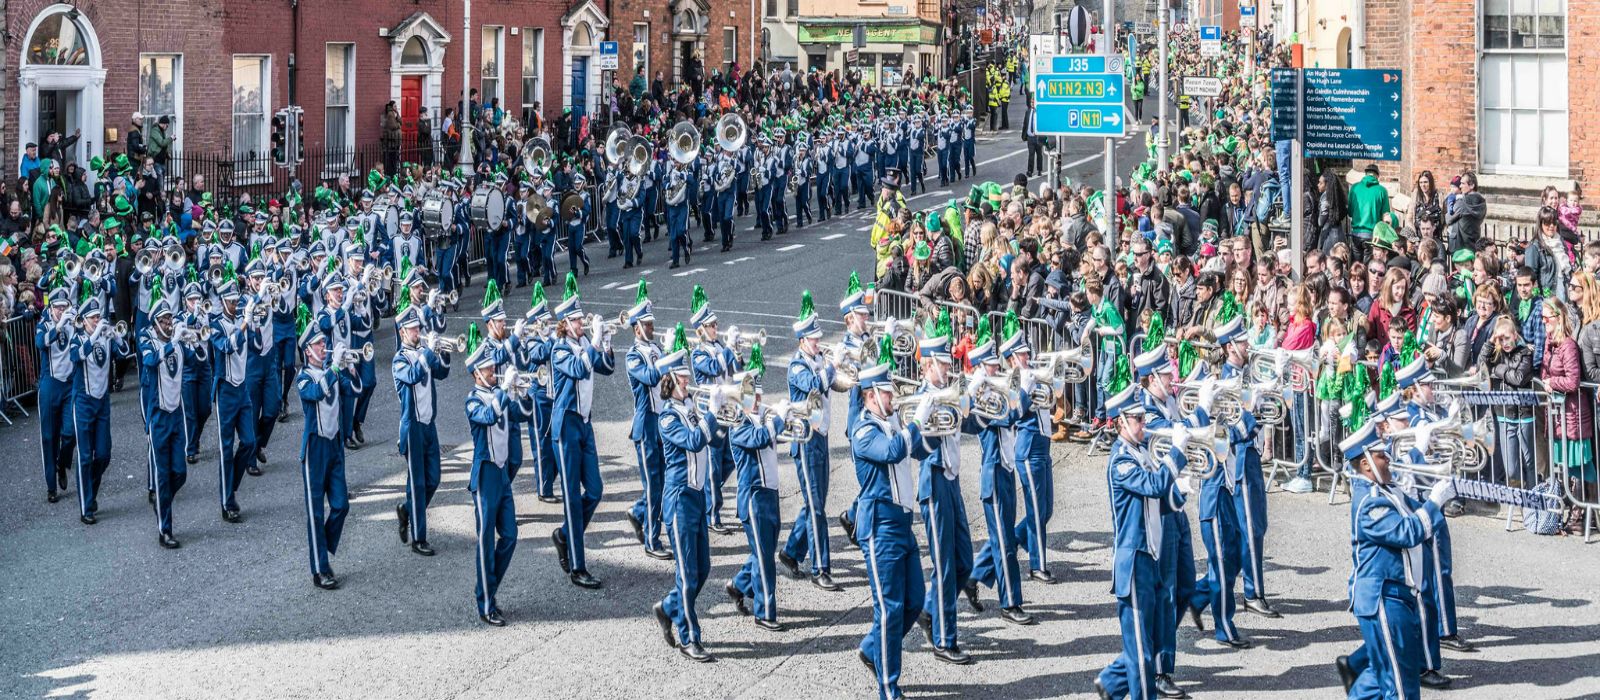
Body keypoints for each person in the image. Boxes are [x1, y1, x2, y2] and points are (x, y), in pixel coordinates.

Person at [1333, 420, 1454, 700]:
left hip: (1394, 595)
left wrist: (1428, 486)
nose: (1388, 458)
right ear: (1366, 464)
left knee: (1380, 676)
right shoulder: (1370, 502)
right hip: (1383, 597)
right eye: (1381, 455)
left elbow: (1416, 516)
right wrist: (1435, 502)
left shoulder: (1386, 491)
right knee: (1402, 690)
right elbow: (1408, 532)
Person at [1094, 382, 1184, 700]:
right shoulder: (1121, 461)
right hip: (1134, 564)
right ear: (1121, 422)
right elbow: (1155, 484)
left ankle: (1113, 687)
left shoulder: (1141, 451)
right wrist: (1178, 453)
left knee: (1149, 640)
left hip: (1151, 556)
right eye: (1137, 420)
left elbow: (1163, 494)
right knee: (1140, 653)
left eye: (1144, 419)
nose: (1143, 425)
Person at [852, 355, 929, 700]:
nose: (893, 397)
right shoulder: (864, 430)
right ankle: (888, 688)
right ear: (870, 396)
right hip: (880, 527)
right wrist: (917, 420)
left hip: (903, 524)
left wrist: (937, 424)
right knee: (890, 609)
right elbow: (895, 451)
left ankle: (873, 648)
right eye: (887, 392)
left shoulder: (891, 421)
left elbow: (919, 451)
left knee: (915, 600)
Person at [650, 343, 719, 662]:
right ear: (671, 380)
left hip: (696, 496)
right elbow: (693, 440)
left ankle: (668, 607)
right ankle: (689, 637)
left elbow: (709, 437)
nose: (688, 380)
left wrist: (717, 412)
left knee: (703, 568)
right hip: (678, 501)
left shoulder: (690, 407)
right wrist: (713, 414)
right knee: (687, 574)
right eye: (683, 376)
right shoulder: (667, 418)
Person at [550, 275, 616, 588]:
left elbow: (605, 367)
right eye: (576, 320)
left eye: (581, 319)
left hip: (585, 424)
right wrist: (594, 341)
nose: (580, 323)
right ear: (565, 322)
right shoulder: (559, 349)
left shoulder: (581, 345)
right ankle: (578, 566)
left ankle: (564, 534)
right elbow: (579, 368)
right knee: (573, 500)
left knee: (595, 491)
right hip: (566, 425)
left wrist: (605, 342)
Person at [463, 333, 532, 625]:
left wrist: (525, 392)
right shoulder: (473, 401)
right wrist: (504, 389)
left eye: (494, 367)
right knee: (485, 539)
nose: (494, 372)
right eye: (489, 369)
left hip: (501, 473)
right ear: (477, 373)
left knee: (511, 536)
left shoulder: (497, 394)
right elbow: (489, 417)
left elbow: (522, 414)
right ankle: (486, 603)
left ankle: (487, 586)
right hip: (486, 474)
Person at [779, 295, 842, 590]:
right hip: (805, 439)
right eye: (814, 339)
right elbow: (815, 385)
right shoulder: (797, 366)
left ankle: (792, 552)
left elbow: (835, 383)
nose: (819, 342)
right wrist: (832, 367)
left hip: (821, 435)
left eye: (818, 338)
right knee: (816, 506)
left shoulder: (816, 359)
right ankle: (820, 568)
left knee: (815, 501)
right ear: (803, 340)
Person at [296, 321, 361, 588]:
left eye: (324, 344)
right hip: (314, 449)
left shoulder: (331, 373)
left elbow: (355, 390)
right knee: (315, 511)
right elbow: (316, 392)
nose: (324, 347)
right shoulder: (303, 378)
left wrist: (352, 368)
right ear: (308, 351)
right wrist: (334, 367)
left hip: (334, 446)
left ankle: (320, 542)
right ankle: (320, 569)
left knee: (341, 505)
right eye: (319, 345)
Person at [392, 304, 451, 555]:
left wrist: (443, 352)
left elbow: (443, 373)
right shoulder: (399, 360)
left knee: (434, 478)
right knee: (417, 483)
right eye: (414, 329)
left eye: (418, 328)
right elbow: (414, 375)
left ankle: (407, 510)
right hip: (412, 426)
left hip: (428, 424)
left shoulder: (422, 353)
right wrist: (428, 351)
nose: (418, 332)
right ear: (403, 332)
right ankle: (419, 537)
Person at [70, 296, 131, 524]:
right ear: (84, 321)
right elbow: (75, 357)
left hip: (102, 401)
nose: (97, 321)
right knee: (85, 456)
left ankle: (90, 491)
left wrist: (115, 335)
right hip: (83, 401)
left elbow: (124, 354)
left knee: (104, 454)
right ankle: (86, 507)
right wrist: (95, 335)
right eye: (93, 318)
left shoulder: (105, 337)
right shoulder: (77, 339)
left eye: (98, 317)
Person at [623, 285, 672, 560]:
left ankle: (640, 512)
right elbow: (652, 377)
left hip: (662, 420)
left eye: (652, 323)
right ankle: (652, 540)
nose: (652, 327)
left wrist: (673, 351)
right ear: (636, 327)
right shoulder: (633, 355)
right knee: (654, 483)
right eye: (647, 324)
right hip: (645, 425)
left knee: (663, 480)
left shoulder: (656, 347)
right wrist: (666, 358)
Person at [141, 298, 191, 549]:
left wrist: (195, 331)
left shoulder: (177, 341)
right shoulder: (147, 341)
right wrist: (173, 341)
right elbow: (150, 361)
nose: (169, 324)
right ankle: (165, 530)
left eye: (170, 319)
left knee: (180, 472)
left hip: (176, 413)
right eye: (163, 321)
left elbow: (198, 357)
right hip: (158, 415)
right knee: (162, 475)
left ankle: (162, 503)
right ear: (155, 323)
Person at [209, 281, 259, 524]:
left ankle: (232, 485)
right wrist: (245, 323)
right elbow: (228, 346)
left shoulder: (242, 316)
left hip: (242, 389)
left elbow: (256, 347)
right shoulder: (215, 324)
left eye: (236, 301)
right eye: (230, 302)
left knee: (249, 442)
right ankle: (226, 501)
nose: (234, 305)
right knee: (226, 448)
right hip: (226, 391)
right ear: (222, 302)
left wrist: (256, 324)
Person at [36, 287, 79, 503]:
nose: (62, 311)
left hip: (69, 384)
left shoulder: (73, 322)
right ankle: (51, 486)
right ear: (51, 308)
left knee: (71, 432)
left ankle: (63, 464)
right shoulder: (43, 325)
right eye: (58, 308)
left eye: (65, 307)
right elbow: (41, 343)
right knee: (49, 436)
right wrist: (59, 325)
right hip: (50, 384)